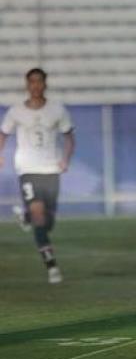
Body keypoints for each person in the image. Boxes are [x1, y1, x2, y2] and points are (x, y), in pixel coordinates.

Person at [0, 68, 75, 284]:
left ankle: (25, 217)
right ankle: (52, 267)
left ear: (45, 84)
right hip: (27, 169)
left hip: (51, 169)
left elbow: (69, 138)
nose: (35, 85)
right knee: (39, 216)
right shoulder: (15, 111)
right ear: (27, 85)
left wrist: (65, 160)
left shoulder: (57, 110)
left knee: (47, 222)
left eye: (39, 81)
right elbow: (3, 134)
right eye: (31, 82)